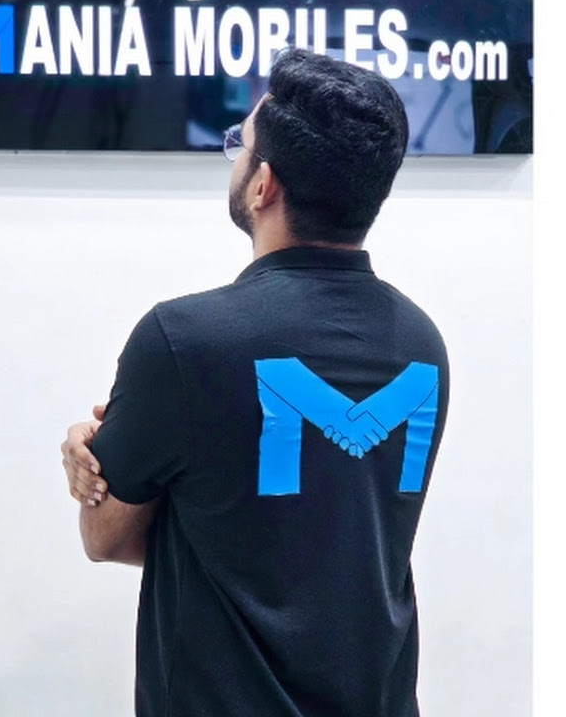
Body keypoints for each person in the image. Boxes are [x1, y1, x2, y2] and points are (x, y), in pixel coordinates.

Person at [60, 47, 449, 716]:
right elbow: (345, 544)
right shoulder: (423, 346)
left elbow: (106, 538)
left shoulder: (182, 341)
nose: (235, 158)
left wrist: (96, 455)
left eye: (239, 145)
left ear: (263, 184)